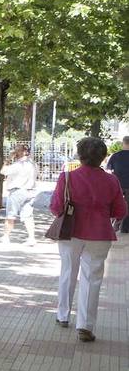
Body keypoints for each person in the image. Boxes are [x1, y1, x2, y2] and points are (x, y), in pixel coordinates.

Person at [50, 137, 127, 342]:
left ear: (80, 155)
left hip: (70, 231)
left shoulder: (67, 177)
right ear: (102, 157)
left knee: (67, 271)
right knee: (92, 278)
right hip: (100, 234)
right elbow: (120, 211)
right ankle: (85, 325)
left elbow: (56, 207)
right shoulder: (112, 181)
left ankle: (63, 315)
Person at [0, 143, 38, 245]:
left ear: (23, 152)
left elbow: (3, 171)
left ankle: (6, 236)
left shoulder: (17, 165)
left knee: (11, 214)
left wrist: (8, 159)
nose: (15, 152)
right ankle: (31, 238)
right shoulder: (33, 164)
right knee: (28, 215)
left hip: (17, 191)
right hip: (30, 191)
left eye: (17, 151)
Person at [107, 136, 129, 235]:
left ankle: (116, 224)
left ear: (123, 143)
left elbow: (109, 170)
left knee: (116, 205)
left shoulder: (115, 156)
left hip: (118, 185)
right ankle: (125, 227)